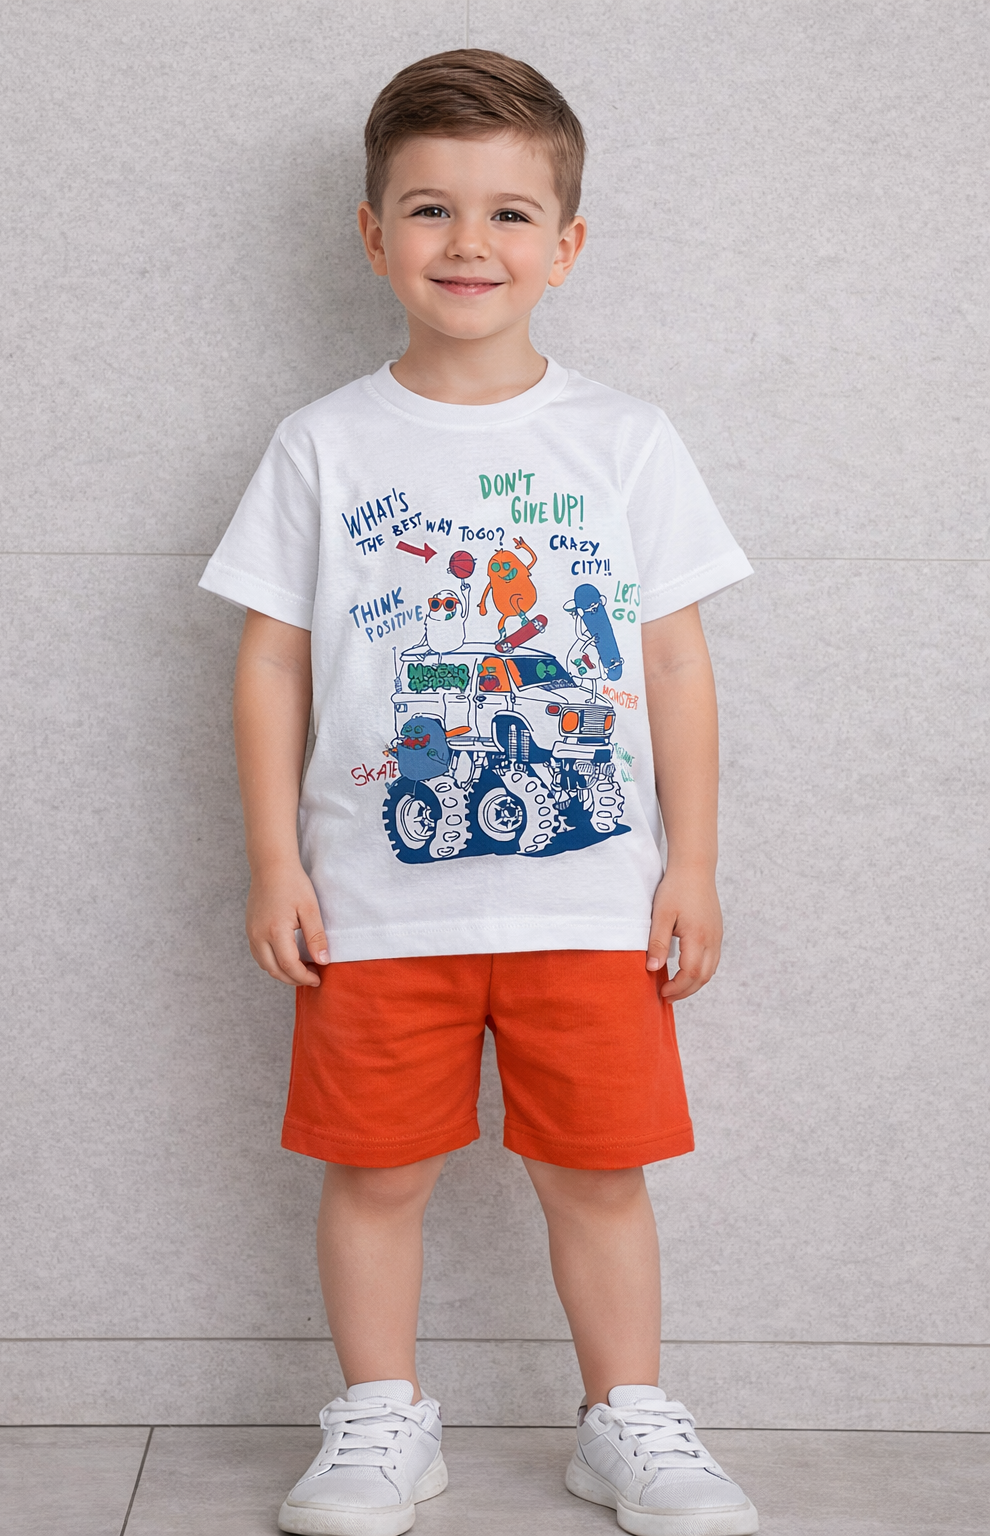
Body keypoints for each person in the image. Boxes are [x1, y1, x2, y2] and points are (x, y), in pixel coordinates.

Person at [199, 48, 759, 1536]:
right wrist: (274, 860)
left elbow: (676, 664)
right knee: (375, 1172)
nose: (469, 242)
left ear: (564, 246)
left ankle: (626, 1420)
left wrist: (693, 862)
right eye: (430, 207)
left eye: (509, 213)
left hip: (594, 903)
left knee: (599, 1173)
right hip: (376, 909)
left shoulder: (623, 439)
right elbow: (272, 664)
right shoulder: (323, 445)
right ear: (372, 232)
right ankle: (383, 1418)